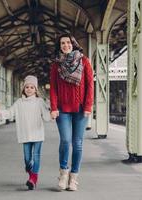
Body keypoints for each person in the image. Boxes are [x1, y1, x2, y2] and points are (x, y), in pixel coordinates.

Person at [50, 33, 94, 191]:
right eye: (62, 43)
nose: (65, 45)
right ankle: (63, 173)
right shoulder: (56, 65)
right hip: (62, 110)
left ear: (73, 44)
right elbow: (53, 88)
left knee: (78, 144)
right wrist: (54, 107)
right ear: (59, 46)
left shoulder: (84, 61)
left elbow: (90, 85)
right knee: (66, 141)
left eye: (68, 42)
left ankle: (74, 178)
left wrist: (88, 106)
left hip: (81, 109)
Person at [5, 75, 50, 190]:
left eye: (32, 87)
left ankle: (33, 179)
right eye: (27, 87)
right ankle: (31, 176)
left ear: (36, 89)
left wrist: (53, 113)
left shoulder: (39, 102)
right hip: (25, 135)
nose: (29, 89)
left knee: (36, 157)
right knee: (27, 159)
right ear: (23, 89)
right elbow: (9, 113)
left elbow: (46, 117)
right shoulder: (19, 102)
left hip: (37, 134)